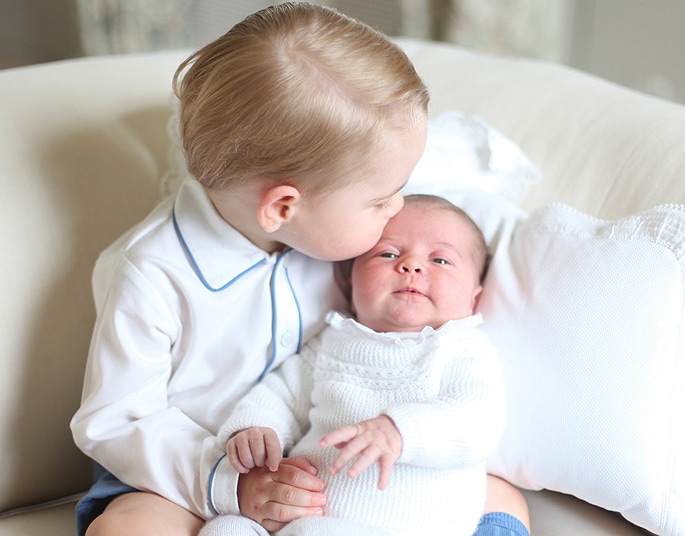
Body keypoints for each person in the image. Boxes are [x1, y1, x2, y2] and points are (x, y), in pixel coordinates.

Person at [70, 3, 529, 536]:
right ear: (284, 208)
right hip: (185, 476)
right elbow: (115, 422)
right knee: (126, 528)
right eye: (381, 198)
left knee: (500, 495)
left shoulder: (333, 229)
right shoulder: (151, 274)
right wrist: (230, 484)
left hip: (326, 465)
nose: (397, 210)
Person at [199, 195, 511, 536]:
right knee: (225, 528)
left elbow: (478, 421)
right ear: (350, 282)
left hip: (399, 528)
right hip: (299, 519)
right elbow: (284, 392)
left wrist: (400, 431)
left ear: (473, 298)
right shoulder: (335, 340)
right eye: (388, 254)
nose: (412, 266)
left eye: (440, 260)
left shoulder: (462, 348)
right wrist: (256, 428)